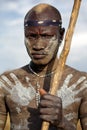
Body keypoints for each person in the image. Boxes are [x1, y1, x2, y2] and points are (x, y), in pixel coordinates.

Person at [0, 3, 87, 130]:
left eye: (46, 36)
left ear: (61, 35)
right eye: (32, 36)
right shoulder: (7, 82)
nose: (38, 45)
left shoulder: (81, 83)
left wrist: (63, 123)